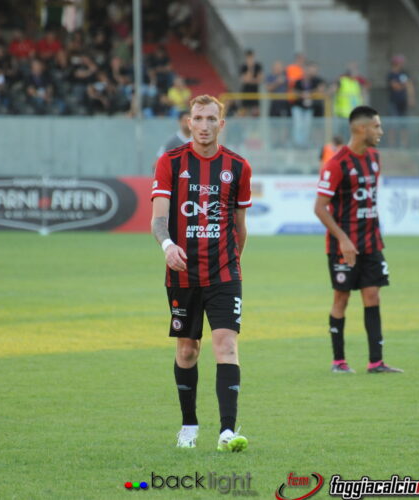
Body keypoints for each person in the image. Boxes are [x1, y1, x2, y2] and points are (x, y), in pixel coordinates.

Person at [150, 94, 252, 451]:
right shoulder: (170, 162)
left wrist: (231, 265)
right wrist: (168, 246)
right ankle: (189, 425)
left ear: (221, 124)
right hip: (182, 274)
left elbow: (240, 227)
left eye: (212, 119)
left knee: (226, 344)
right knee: (188, 351)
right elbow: (158, 221)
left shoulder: (238, 167)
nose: (205, 125)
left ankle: (227, 431)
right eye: (198, 118)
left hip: (225, 274)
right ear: (188, 122)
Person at [314, 106, 403, 375]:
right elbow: (320, 207)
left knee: (373, 296)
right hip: (344, 246)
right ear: (362, 129)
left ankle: (376, 361)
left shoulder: (374, 157)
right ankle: (338, 361)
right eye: (377, 126)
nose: (381, 131)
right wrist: (342, 239)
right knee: (341, 299)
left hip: (371, 242)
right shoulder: (337, 163)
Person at [239, 49, 262, 116]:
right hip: (245, 91)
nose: (250, 59)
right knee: (243, 112)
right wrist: (250, 68)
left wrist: (250, 80)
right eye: (248, 57)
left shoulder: (258, 66)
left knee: (256, 112)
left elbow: (259, 80)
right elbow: (245, 80)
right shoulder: (243, 67)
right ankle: (243, 125)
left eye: (251, 57)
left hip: (255, 92)